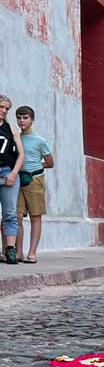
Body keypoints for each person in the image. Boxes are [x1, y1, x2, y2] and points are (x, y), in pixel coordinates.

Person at [13, 106, 53, 263]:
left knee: (35, 216)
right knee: (17, 217)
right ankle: (18, 252)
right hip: (17, 180)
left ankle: (32, 253)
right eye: (19, 118)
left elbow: (50, 162)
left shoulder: (40, 141)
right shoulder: (16, 137)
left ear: (32, 119)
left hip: (34, 180)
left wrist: (36, 167)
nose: (21, 121)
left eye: (25, 118)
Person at [0, 95, 22, 264]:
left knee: (10, 214)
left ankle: (10, 250)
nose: (4, 111)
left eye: (7, 108)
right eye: (1, 107)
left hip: (7, 172)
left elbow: (21, 154)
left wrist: (14, 173)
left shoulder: (11, 129)